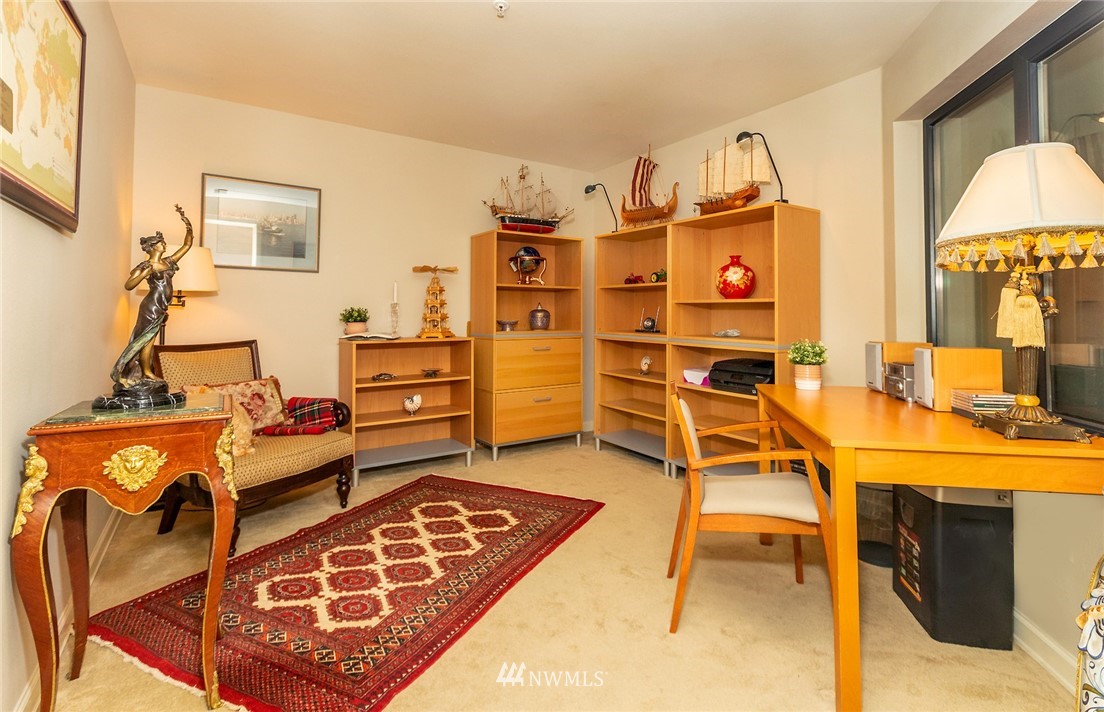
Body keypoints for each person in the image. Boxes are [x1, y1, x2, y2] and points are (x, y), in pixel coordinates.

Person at [109, 204, 194, 391]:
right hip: (151, 306)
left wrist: (188, 227)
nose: (164, 244)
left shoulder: (168, 262)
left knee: (150, 338)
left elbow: (187, 245)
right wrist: (143, 274)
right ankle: (145, 371)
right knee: (145, 339)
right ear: (153, 247)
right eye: (161, 242)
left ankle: (146, 371)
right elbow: (129, 285)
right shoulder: (146, 265)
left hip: (161, 306)